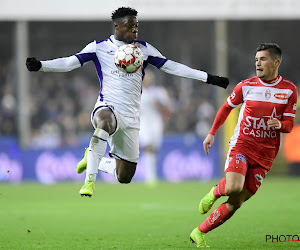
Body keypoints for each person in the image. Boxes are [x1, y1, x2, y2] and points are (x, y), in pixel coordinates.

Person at [26, 7, 229, 197]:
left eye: (136, 26)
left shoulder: (144, 50)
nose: (134, 29)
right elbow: (69, 62)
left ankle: (93, 158)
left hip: (131, 117)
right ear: (117, 26)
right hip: (107, 107)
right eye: (130, 26)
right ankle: (89, 181)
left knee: (124, 176)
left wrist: (209, 78)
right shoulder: (99, 48)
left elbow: (173, 67)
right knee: (104, 122)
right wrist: (41, 66)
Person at [189, 43, 298, 248]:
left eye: (263, 59)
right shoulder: (246, 86)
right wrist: (212, 133)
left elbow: (289, 125)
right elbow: (225, 108)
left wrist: (280, 124)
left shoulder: (289, 90)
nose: (258, 63)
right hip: (242, 145)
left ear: (276, 62)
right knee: (233, 186)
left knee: (236, 202)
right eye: (256, 59)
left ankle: (199, 232)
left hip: (266, 155)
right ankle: (215, 192)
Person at [139, 70, 172, 186]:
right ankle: (149, 176)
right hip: (143, 122)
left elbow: (168, 108)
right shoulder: (138, 92)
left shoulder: (159, 92)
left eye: (148, 78)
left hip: (156, 121)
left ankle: (153, 174)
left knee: (154, 148)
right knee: (146, 146)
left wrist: (157, 103)